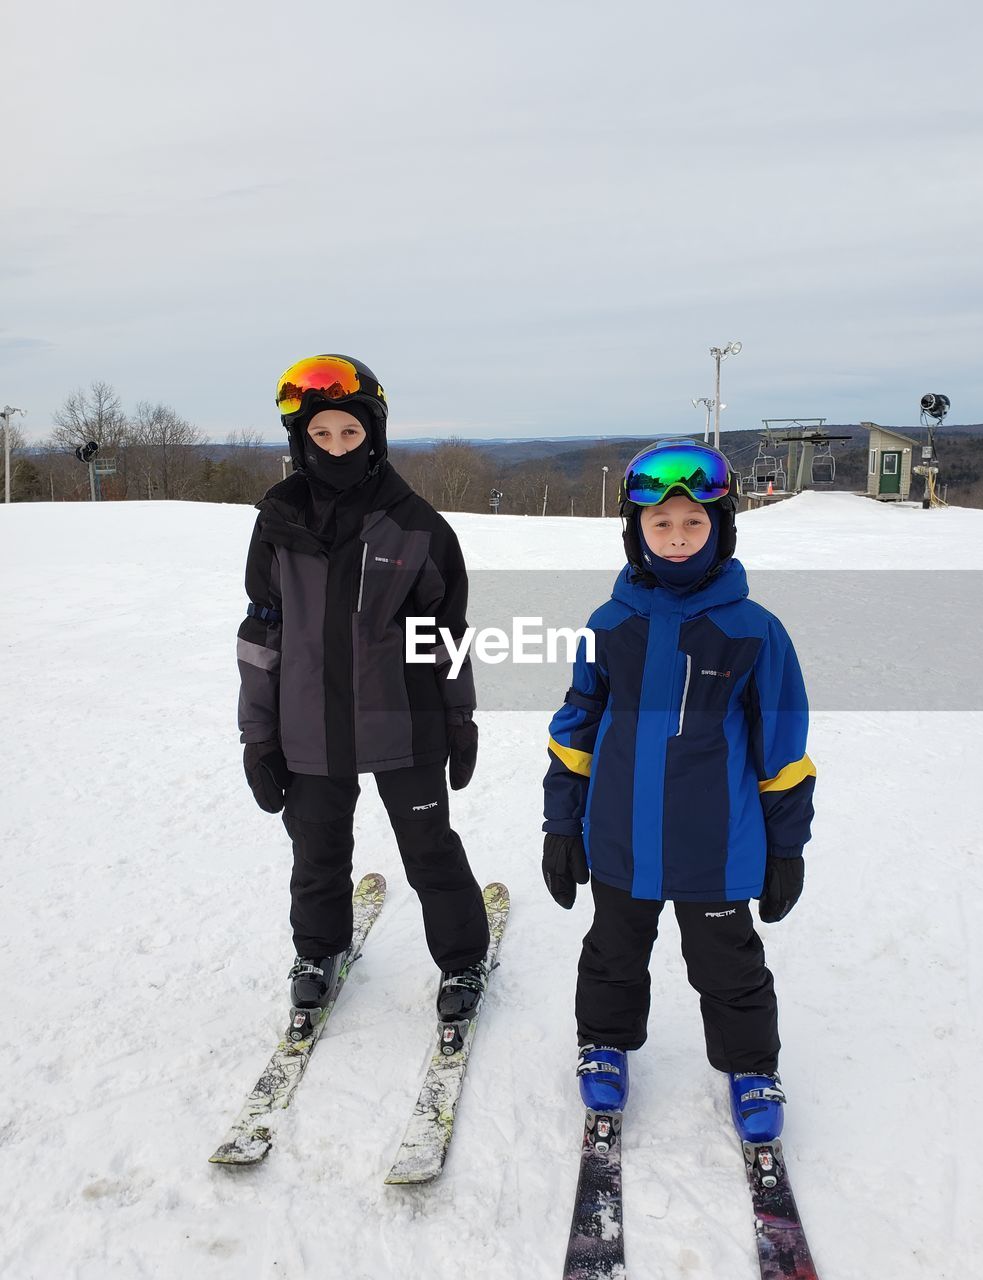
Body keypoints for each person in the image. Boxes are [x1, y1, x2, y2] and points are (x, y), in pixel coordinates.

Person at [541, 439, 815, 1143]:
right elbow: (576, 726)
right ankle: (603, 1043)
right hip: (620, 837)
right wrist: (560, 824)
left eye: (694, 522)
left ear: (720, 530)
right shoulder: (611, 624)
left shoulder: (753, 630)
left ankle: (753, 1067)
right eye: (660, 524)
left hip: (715, 847)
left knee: (729, 965)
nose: (677, 537)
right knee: (612, 953)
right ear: (636, 532)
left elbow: (782, 750)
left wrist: (787, 848)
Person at [237, 353, 489, 1039]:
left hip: (404, 725)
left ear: (373, 435)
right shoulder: (277, 527)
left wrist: (459, 718)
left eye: (349, 434)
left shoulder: (420, 528)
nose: (336, 449)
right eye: (321, 437)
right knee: (316, 852)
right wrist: (258, 735)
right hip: (309, 727)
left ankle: (463, 961)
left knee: (429, 848)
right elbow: (262, 637)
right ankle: (318, 951)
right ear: (300, 441)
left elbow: (446, 636)